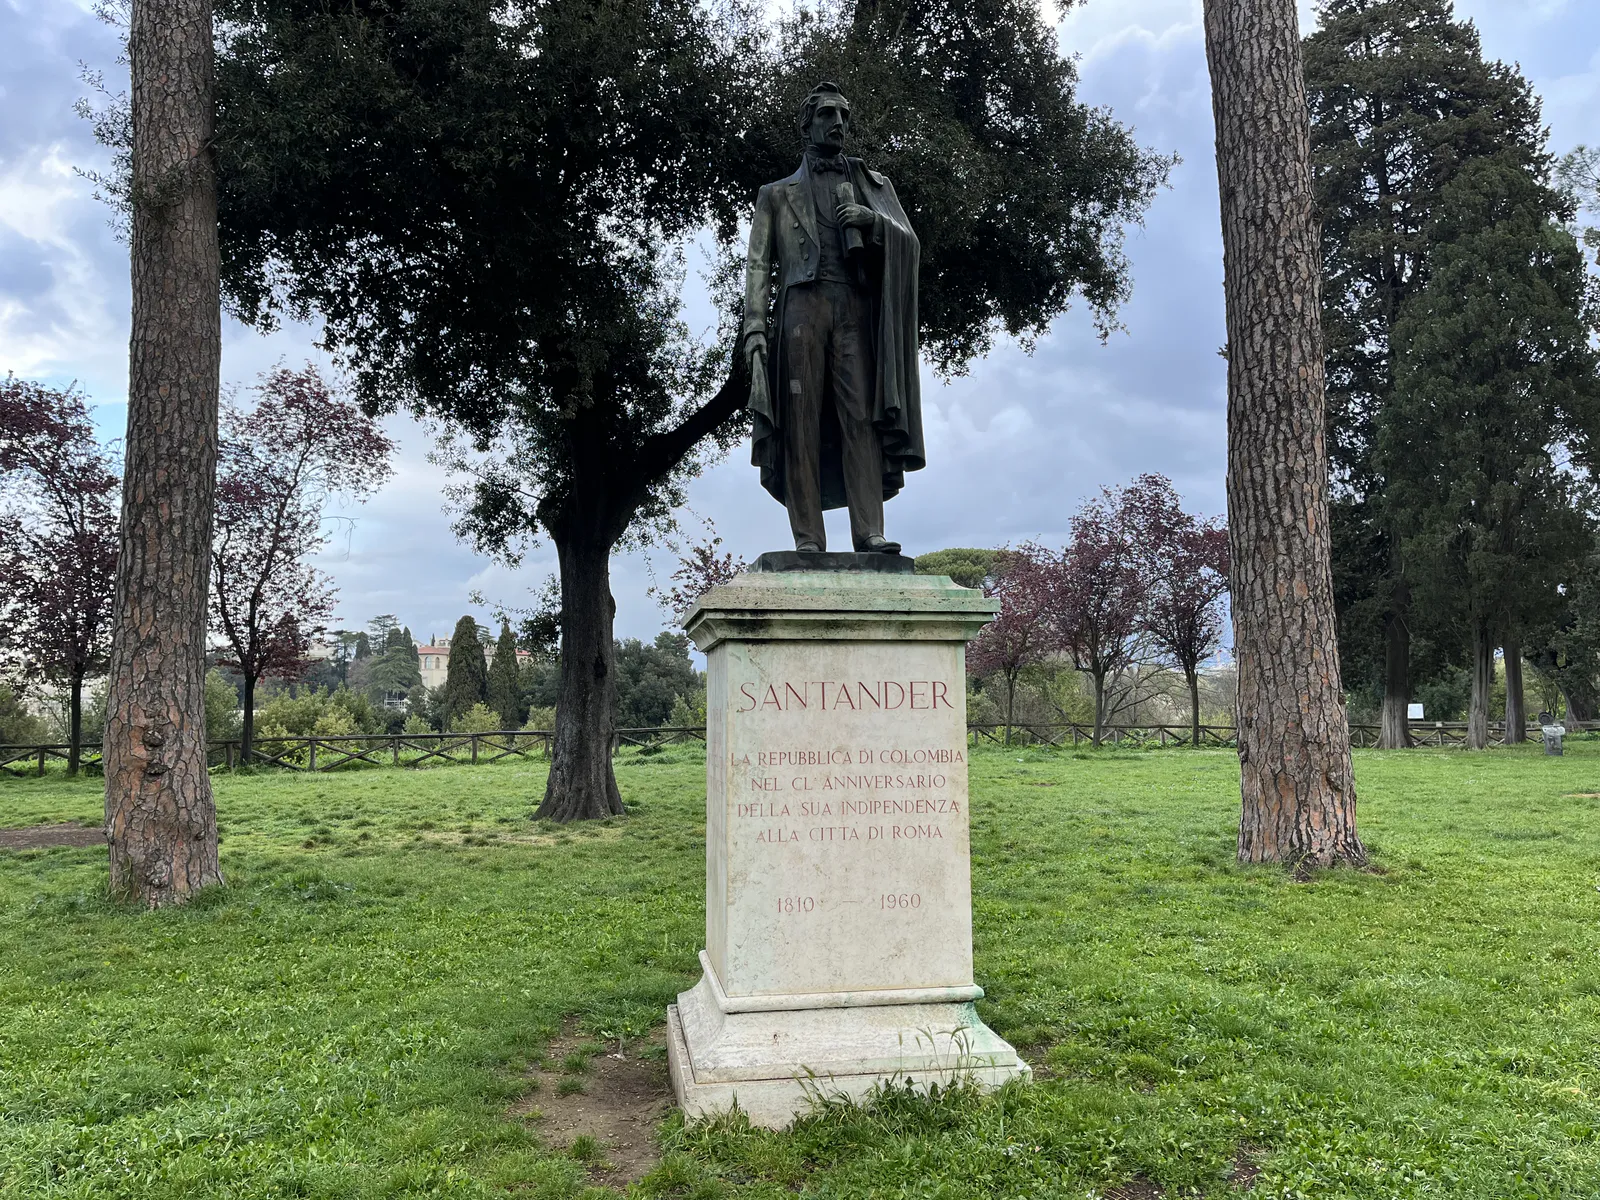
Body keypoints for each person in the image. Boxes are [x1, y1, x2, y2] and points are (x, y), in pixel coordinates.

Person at [741, 82, 925, 554]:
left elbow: (909, 241)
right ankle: (808, 539)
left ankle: (869, 532)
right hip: (801, 307)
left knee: (861, 418)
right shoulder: (775, 194)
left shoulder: (872, 186)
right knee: (799, 419)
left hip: (854, 308)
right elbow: (759, 263)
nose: (837, 124)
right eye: (827, 115)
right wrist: (755, 328)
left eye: (843, 116)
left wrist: (872, 222)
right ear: (807, 124)